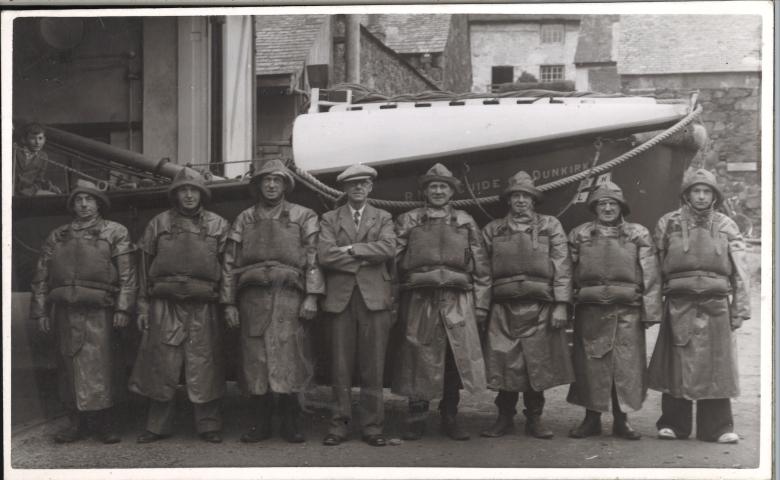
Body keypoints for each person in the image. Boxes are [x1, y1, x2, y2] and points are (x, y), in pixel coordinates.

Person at [222, 159, 325, 444]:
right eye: (265, 180)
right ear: (258, 185)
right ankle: (260, 423)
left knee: (290, 355)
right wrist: (228, 302)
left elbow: (314, 258)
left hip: (290, 296)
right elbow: (230, 263)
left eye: (276, 180)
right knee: (255, 358)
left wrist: (313, 296)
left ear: (285, 185)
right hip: (253, 297)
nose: (270, 185)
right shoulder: (245, 218)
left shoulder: (304, 216)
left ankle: (291, 422)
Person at [648, 168, 750, 444]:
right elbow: (654, 268)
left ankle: (717, 428)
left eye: (707, 191)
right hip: (678, 304)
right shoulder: (667, 223)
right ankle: (673, 424)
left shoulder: (726, 224)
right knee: (676, 364)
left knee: (717, 366)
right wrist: (652, 307)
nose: (702, 196)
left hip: (716, 304)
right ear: (687, 194)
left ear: (714, 195)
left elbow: (741, 270)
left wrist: (739, 308)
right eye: (697, 190)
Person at [30, 179, 137, 443]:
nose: (84, 204)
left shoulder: (115, 232)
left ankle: (105, 423)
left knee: (104, 366)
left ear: (99, 203)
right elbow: (41, 277)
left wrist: (123, 308)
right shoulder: (58, 235)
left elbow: (127, 275)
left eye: (89, 199)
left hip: (101, 311)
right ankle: (75, 422)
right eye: (78, 200)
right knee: (69, 366)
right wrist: (41, 311)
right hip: (65, 312)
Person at [128, 169, 231, 444]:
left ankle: (208, 424)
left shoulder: (218, 225)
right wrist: (142, 306)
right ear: (175, 194)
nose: (188, 194)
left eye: (193, 190)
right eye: (183, 190)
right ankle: (157, 425)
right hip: (164, 303)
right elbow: (142, 269)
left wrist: (227, 304)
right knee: (162, 364)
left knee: (205, 362)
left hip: (203, 305)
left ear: (201, 194)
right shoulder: (158, 224)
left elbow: (229, 268)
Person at [393, 163, 490, 441]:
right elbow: (394, 262)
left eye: (443, 186)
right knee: (417, 356)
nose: (438, 191)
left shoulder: (465, 221)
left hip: (457, 301)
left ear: (451, 191)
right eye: (433, 186)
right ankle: (416, 418)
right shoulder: (409, 220)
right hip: (419, 299)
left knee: (453, 359)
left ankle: (450, 417)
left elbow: (481, 266)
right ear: (425, 190)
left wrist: (481, 303)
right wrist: (395, 297)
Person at [479, 171, 574, 440]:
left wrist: (561, 304)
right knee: (504, 364)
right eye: (515, 196)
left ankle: (535, 418)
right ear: (508, 201)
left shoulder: (550, 226)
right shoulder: (493, 229)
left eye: (526, 196)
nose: (521, 200)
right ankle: (503, 417)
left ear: (534, 200)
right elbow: (483, 272)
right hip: (503, 308)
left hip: (540, 307)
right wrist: (482, 308)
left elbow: (562, 266)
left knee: (538, 364)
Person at [566, 181, 662, 440]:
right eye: (602, 203)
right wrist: (565, 306)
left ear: (622, 207)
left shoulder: (638, 234)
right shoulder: (580, 234)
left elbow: (651, 273)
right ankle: (591, 418)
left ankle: (622, 420)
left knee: (626, 366)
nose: (607, 208)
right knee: (590, 365)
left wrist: (651, 310)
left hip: (627, 311)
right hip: (591, 310)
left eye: (612, 203)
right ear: (594, 207)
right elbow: (566, 273)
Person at [318, 164, 396, 447]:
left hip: (375, 300)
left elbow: (388, 249)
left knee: (372, 368)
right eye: (353, 185)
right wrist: (367, 257)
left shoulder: (384, 216)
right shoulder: (329, 218)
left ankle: (372, 427)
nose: (358, 188)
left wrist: (351, 250)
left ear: (371, 187)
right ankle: (339, 426)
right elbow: (325, 255)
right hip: (340, 300)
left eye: (363, 184)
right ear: (344, 189)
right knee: (340, 367)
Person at [13, 122, 59, 196]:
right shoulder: (14, 151)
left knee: (54, 196)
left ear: (44, 140)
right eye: (32, 138)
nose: (37, 142)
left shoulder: (43, 156)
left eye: (40, 138)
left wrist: (48, 186)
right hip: (10, 190)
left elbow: (38, 180)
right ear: (24, 140)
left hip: (28, 191)